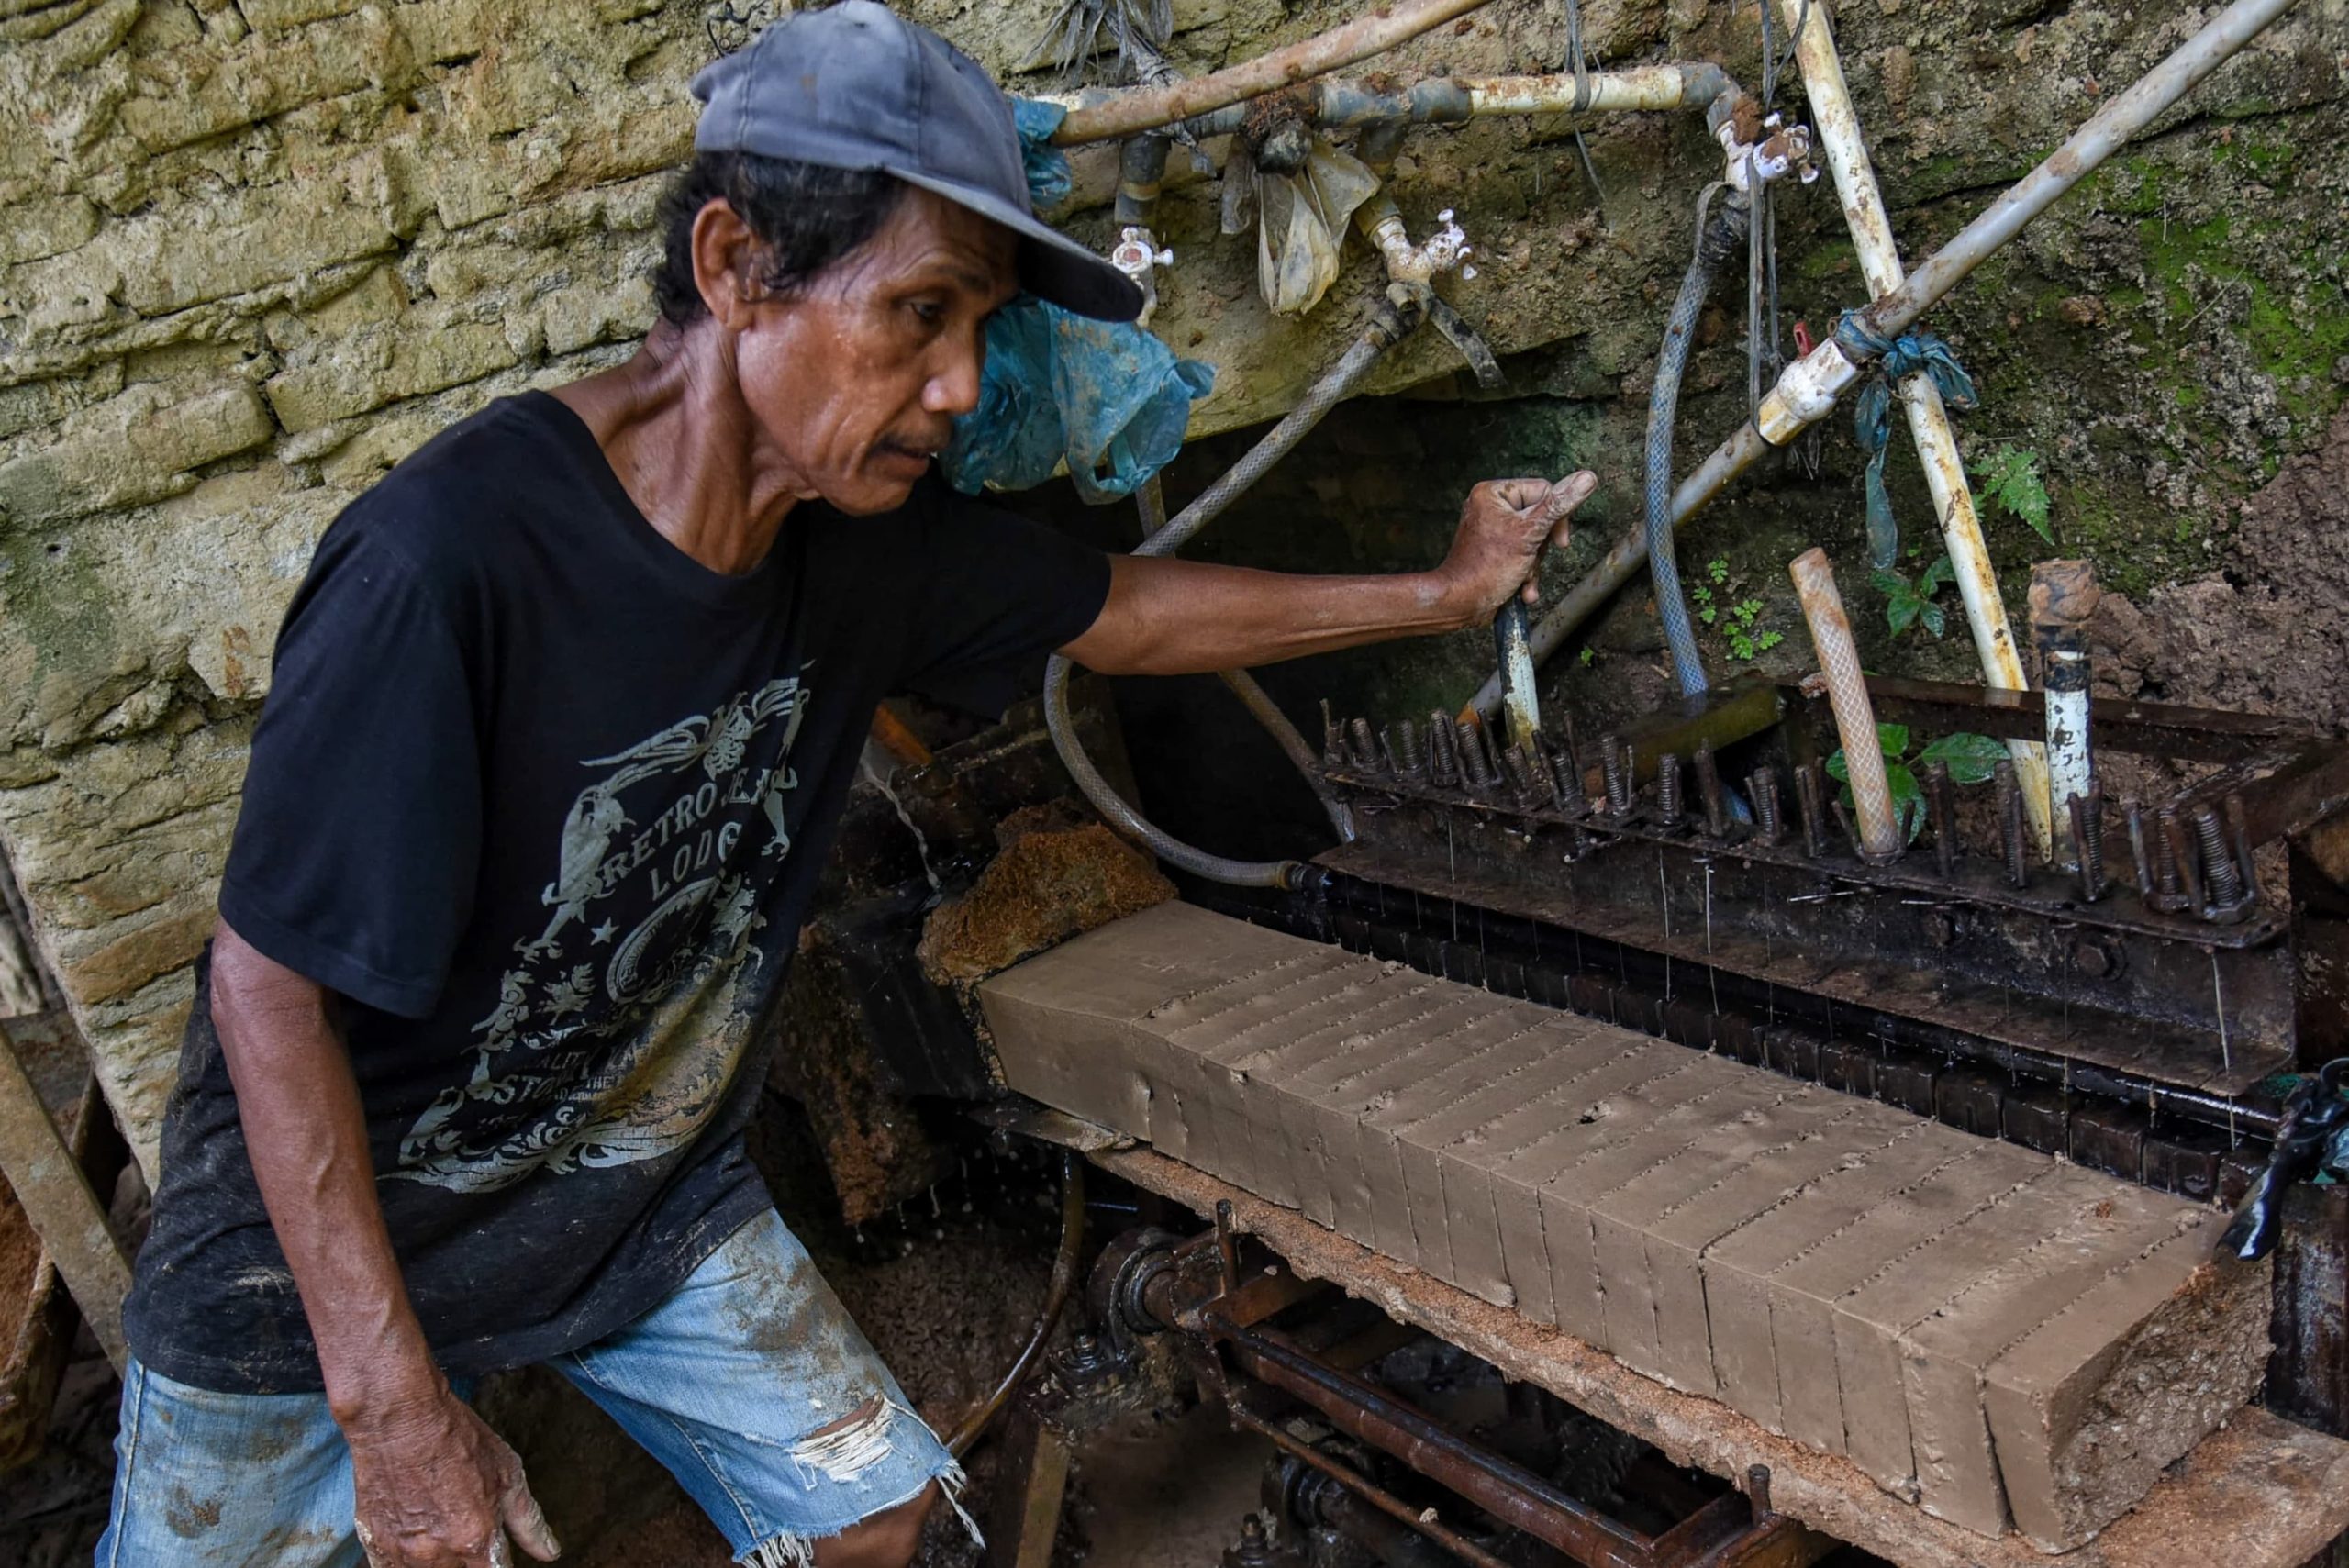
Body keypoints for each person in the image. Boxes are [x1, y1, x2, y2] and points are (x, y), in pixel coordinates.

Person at [96, 6, 1596, 1565]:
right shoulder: (450, 565)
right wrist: (394, 1403)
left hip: (632, 1192)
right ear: (736, 265)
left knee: (876, 1518)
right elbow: (269, 989)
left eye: (980, 330)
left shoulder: (867, 547)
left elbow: (1129, 612)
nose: (956, 386)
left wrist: (1436, 594)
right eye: (920, 313)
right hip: (311, 1265)